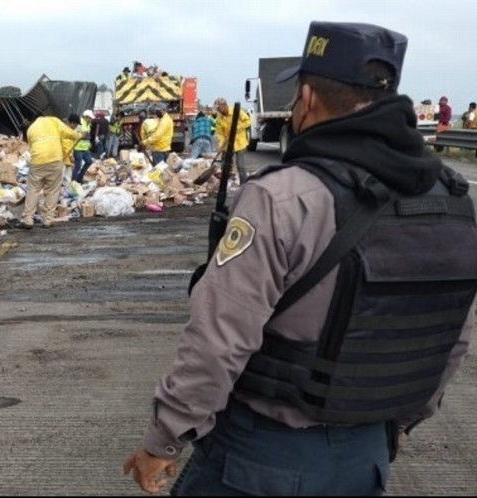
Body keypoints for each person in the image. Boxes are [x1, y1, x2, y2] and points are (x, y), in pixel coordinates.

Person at [124, 20, 477, 496]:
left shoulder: (282, 198)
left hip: (260, 459)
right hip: (366, 456)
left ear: (306, 99)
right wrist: (393, 424)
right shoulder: (452, 200)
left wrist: (164, 440)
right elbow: (452, 338)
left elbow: (220, 337)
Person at [21, 114, 83, 228]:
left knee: (33, 190)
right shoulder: (54, 121)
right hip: (55, 160)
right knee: (52, 191)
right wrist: (79, 135)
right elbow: (70, 133)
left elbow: (31, 146)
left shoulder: (31, 128)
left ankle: (28, 219)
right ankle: (48, 220)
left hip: (37, 161)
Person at [213, 97, 252, 182]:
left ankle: (243, 184)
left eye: (219, 108)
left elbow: (248, 121)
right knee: (225, 165)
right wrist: (221, 145)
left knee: (240, 165)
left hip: (239, 143)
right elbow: (219, 133)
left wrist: (237, 128)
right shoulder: (219, 118)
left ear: (224, 106)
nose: (218, 111)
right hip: (227, 144)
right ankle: (225, 183)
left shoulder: (236, 111)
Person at [71, 110, 94, 183]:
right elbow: (75, 134)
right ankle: (73, 182)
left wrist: (89, 142)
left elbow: (87, 135)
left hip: (85, 148)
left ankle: (79, 178)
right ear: (86, 117)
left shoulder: (88, 124)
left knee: (89, 161)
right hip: (78, 148)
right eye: (90, 118)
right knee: (77, 166)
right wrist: (84, 136)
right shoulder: (80, 124)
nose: (91, 119)